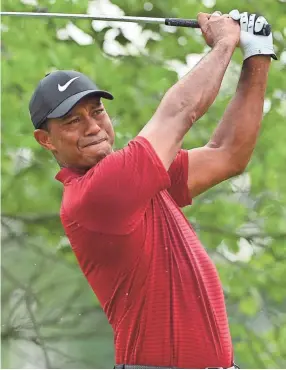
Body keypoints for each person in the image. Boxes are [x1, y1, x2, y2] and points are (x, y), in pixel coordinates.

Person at [29, 9, 276, 369]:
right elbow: (180, 112)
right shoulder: (98, 192)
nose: (93, 127)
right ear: (45, 140)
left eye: (97, 112)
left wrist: (257, 57)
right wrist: (226, 42)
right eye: (72, 121)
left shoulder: (140, 181)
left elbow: (228, 155)